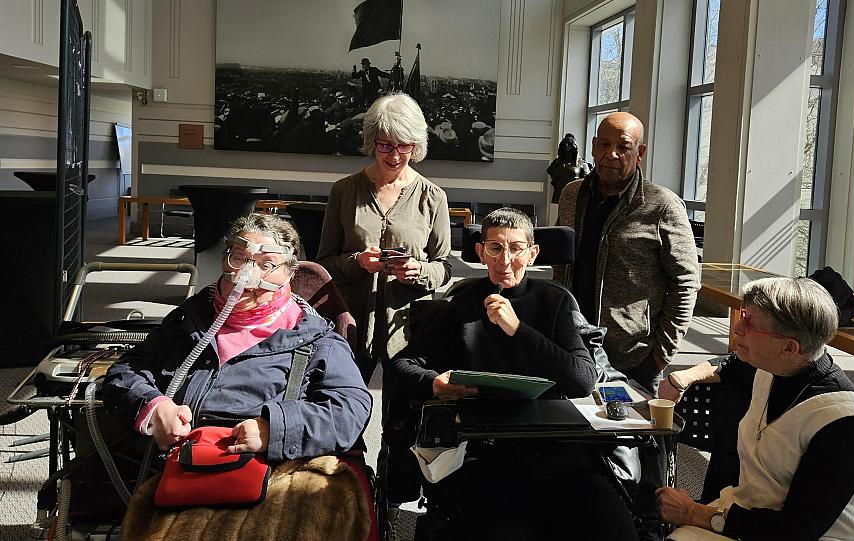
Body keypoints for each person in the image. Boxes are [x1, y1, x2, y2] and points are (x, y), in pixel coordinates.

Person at [390, 208, 640, 541]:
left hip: (557, 450)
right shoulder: (461, 306)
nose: (505, 259)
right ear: (480, 253)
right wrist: (434, 383)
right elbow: (401, 367)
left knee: (616, 528)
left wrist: (518, 330)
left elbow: (582, 379)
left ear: (532, 253)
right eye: (495, 248)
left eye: (516, 248)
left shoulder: (555, 302)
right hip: (486, 456)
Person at [102, 212, 372, 463]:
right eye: (240, 258)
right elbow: (126, 371)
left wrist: (274, 430)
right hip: (175, 463)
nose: (246, 274)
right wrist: (154, 407)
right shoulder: (188, 320)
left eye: (267, 264)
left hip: (264, 475)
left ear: (289, 273)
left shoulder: (316, 339)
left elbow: (350, 411)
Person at [655, 277, 854, 541]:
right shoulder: (773, 367)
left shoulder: (845, 424)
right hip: (752, 515)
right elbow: (730, 365)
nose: (738, 328)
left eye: (750, 324)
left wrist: (692, 512)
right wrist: (684, 377)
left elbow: (797, 529)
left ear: (789, 347)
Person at [555, 111, 700, 393]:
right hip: (571, 344)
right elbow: (562, 263)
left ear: (640, 151)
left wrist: (660, 357)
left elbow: (686, 283)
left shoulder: (662, 206)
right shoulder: (571, 195)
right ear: (594, 147)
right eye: (605, 146)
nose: (612, 154)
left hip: (632, 356)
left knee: (631, 433)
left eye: (623, 147)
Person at [317, 93, 452, 381]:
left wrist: (419, 270)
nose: (394, 156)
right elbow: (323, 263)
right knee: (341, 409)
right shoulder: (344, 191)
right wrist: (357, 261)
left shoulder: (433, 197)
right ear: (371, 142)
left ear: (416, 145)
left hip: (407, 327)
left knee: (403, 418)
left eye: (404, 146)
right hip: (349, 323)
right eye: (385, 145)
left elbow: (444, 266)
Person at [546, 132, 592, 204]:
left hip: (574, 195)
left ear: (573, 146)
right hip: (559, 194)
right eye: (564, 144)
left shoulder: (581, 163)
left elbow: (587, 179)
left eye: (569, 144)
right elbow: (549, 170)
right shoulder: (557, 162)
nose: (566, 146)